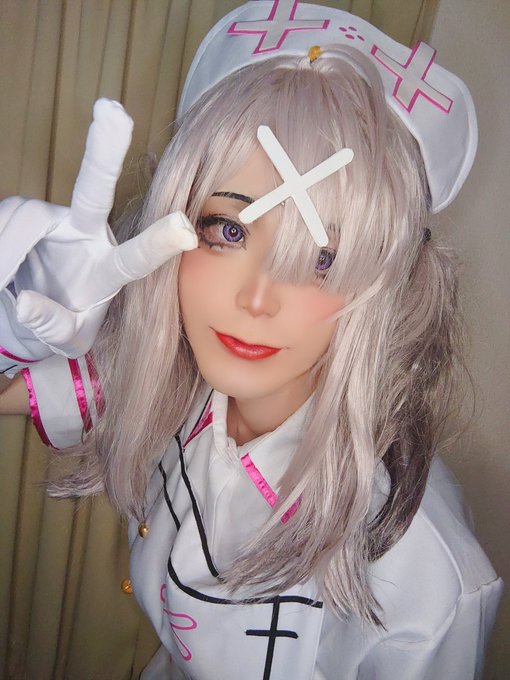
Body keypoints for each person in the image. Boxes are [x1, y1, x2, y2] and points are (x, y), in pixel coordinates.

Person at [0, 2, 503, 678]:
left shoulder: (425, 577)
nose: (258, 300)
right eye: (229, 231)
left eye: (323, 259)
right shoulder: (177, 385)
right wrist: (9, 334)